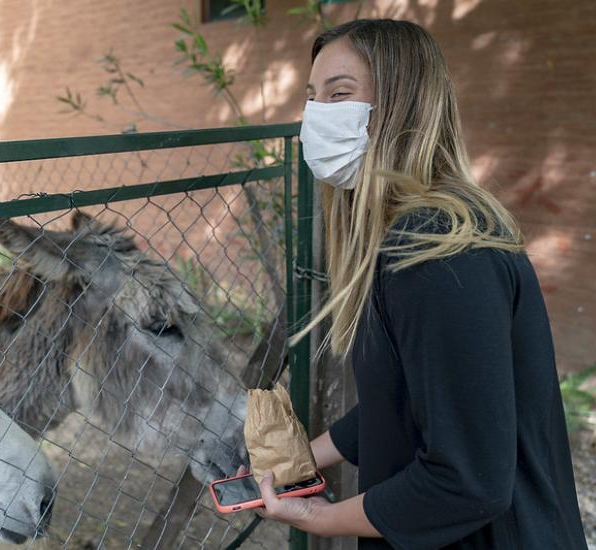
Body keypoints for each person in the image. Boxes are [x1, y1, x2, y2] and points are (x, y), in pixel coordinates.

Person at [239, 18, 588, 549]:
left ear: (401, 104)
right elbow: (408, 399)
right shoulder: (412, 232)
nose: (317, 117)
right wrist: (306, 458)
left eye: (341, 94)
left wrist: (318, 518)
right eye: (312, 98)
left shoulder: (435, 246)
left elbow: (466, 483)